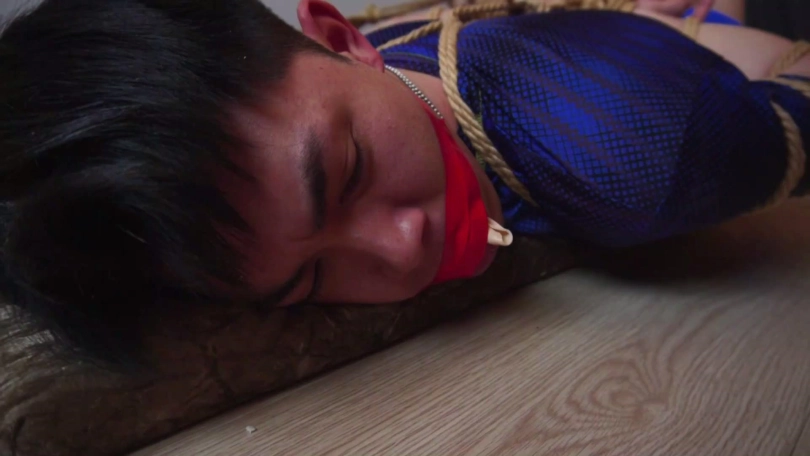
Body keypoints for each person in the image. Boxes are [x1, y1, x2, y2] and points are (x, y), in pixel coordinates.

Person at [0, 0, 807, 368]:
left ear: (344, 36)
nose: (402, 248)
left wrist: (700, 27)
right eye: (312, 278)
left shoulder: (638, 157)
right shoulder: (362, 69)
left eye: (350, 170)